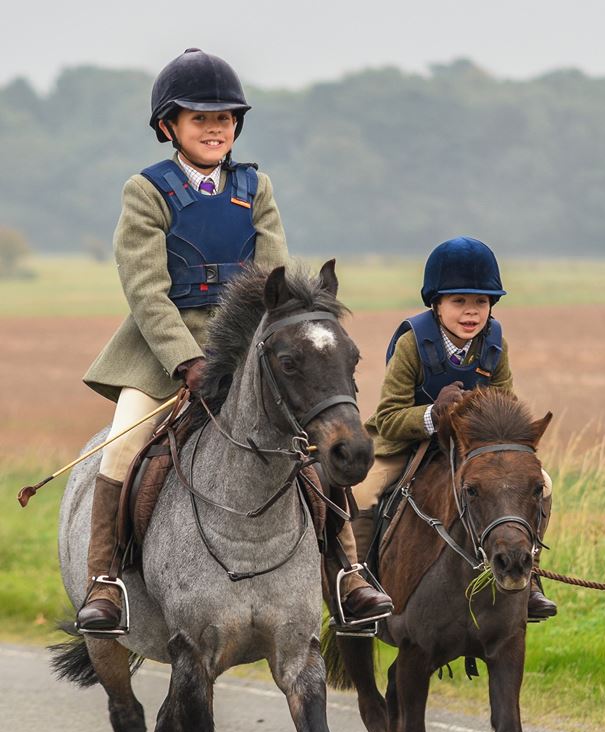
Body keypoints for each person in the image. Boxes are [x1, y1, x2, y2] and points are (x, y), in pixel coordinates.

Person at [76, 47, 388, 633]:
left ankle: (348, 573)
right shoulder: (146, 191)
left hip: (248, 355)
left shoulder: (255, 187)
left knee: (308, 446)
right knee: (121, 448)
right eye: (200, 118)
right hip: (164, 354)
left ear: (236, 126)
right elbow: (146, 291)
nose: (214, 128)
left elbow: (273, 283)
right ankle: (105, 582)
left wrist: (255, 351)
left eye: (223, 119)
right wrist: (186, 360)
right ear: (170, 126)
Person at [348, 236, 557, 621]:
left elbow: (505, 412)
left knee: (540, 482)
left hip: (468, 451)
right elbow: (390, 415)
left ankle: (530, 577)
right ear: (437, 304)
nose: (471, 312)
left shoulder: (495, 344)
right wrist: (434, 414)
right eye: (459, 301)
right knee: (363, 491)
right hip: (404, 442)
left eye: (480, 302)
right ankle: (356, 587)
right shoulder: (414, 342)